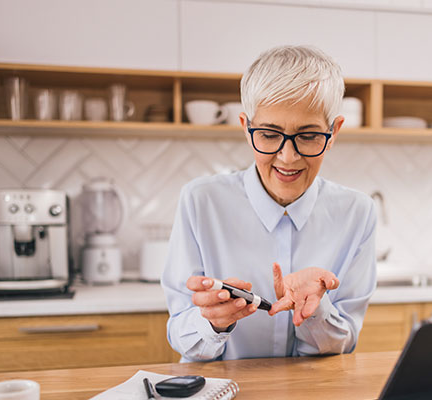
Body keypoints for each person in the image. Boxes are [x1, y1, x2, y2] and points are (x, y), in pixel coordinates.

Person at [161, 45, 377, 362]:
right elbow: (182, 335)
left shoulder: (358, 213)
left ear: (333, 132)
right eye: (269, 134)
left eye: (308, 136)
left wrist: (315, 311)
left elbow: (341, 345)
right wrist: (212, 322)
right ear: (247, 128)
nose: (287, 157)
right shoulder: (200, 201)